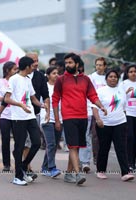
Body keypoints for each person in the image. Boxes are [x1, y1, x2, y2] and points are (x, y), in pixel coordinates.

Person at [52, 53, 107, 185]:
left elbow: (92, 95)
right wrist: (57, 119)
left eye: (70, 63)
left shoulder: (86, 80)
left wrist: (101, 106)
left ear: (77, 64)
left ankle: (68, 174)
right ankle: (77, 173)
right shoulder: (61, 80)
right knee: (72, 145)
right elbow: (55, 100)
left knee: (76, 146)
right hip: (69, 117)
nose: (67, 65)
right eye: (66, 63)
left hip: (83, 116)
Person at [4, 56, 48, 186]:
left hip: (30, 116)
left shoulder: (28, 79)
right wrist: (21, 105)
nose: (34, 67)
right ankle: (18, 177)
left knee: (36, 142)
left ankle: (22, 167)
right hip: (18, 117)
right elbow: (6, 99)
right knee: (20, 146)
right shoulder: (14, 79)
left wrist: (41, 105)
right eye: (32, 65)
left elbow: (33, 98)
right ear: (27, 66)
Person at [92, 69, 135, 181]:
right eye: (110, 76)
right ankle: (101, 170)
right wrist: (98, 120)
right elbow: (95, 107)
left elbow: (123, 108)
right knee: (104, 147)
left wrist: (124, 121)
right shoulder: (100, 91)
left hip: (120, 123)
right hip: (104, 124)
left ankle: (125, 173)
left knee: (121, 148)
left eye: (115, 77)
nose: (113, 79)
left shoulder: (121, 91)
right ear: (106, 79)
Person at [0, 61, 18, 171]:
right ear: (7, 70)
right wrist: (0, 98)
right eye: (14, 69)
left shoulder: (18, 81)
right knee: (5, 139)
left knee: (18, 140)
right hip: (4, 115)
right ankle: (6, 164)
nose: (16, 71)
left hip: (17, 115)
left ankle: (18, 161)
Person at [40, 66, 62, 178]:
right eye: (54, 73)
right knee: (51, 144)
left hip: (59, 119)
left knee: (52, 145)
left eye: (57, 73)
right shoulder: (44, 87)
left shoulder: (61, 87)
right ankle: (52, 168)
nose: (56, 75)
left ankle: (44, 168)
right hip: (47, 118)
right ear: (48, 75)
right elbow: (40, 102)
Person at [89, 57, 107, 165]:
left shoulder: (108, 78)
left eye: (101, 65)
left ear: (105, 66)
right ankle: (96, 156)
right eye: (97, 65)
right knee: (95, 135)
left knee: (105, 136)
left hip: (106, 110)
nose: (98, 67)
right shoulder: (91, 78)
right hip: (94, 109)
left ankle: (102, 155)